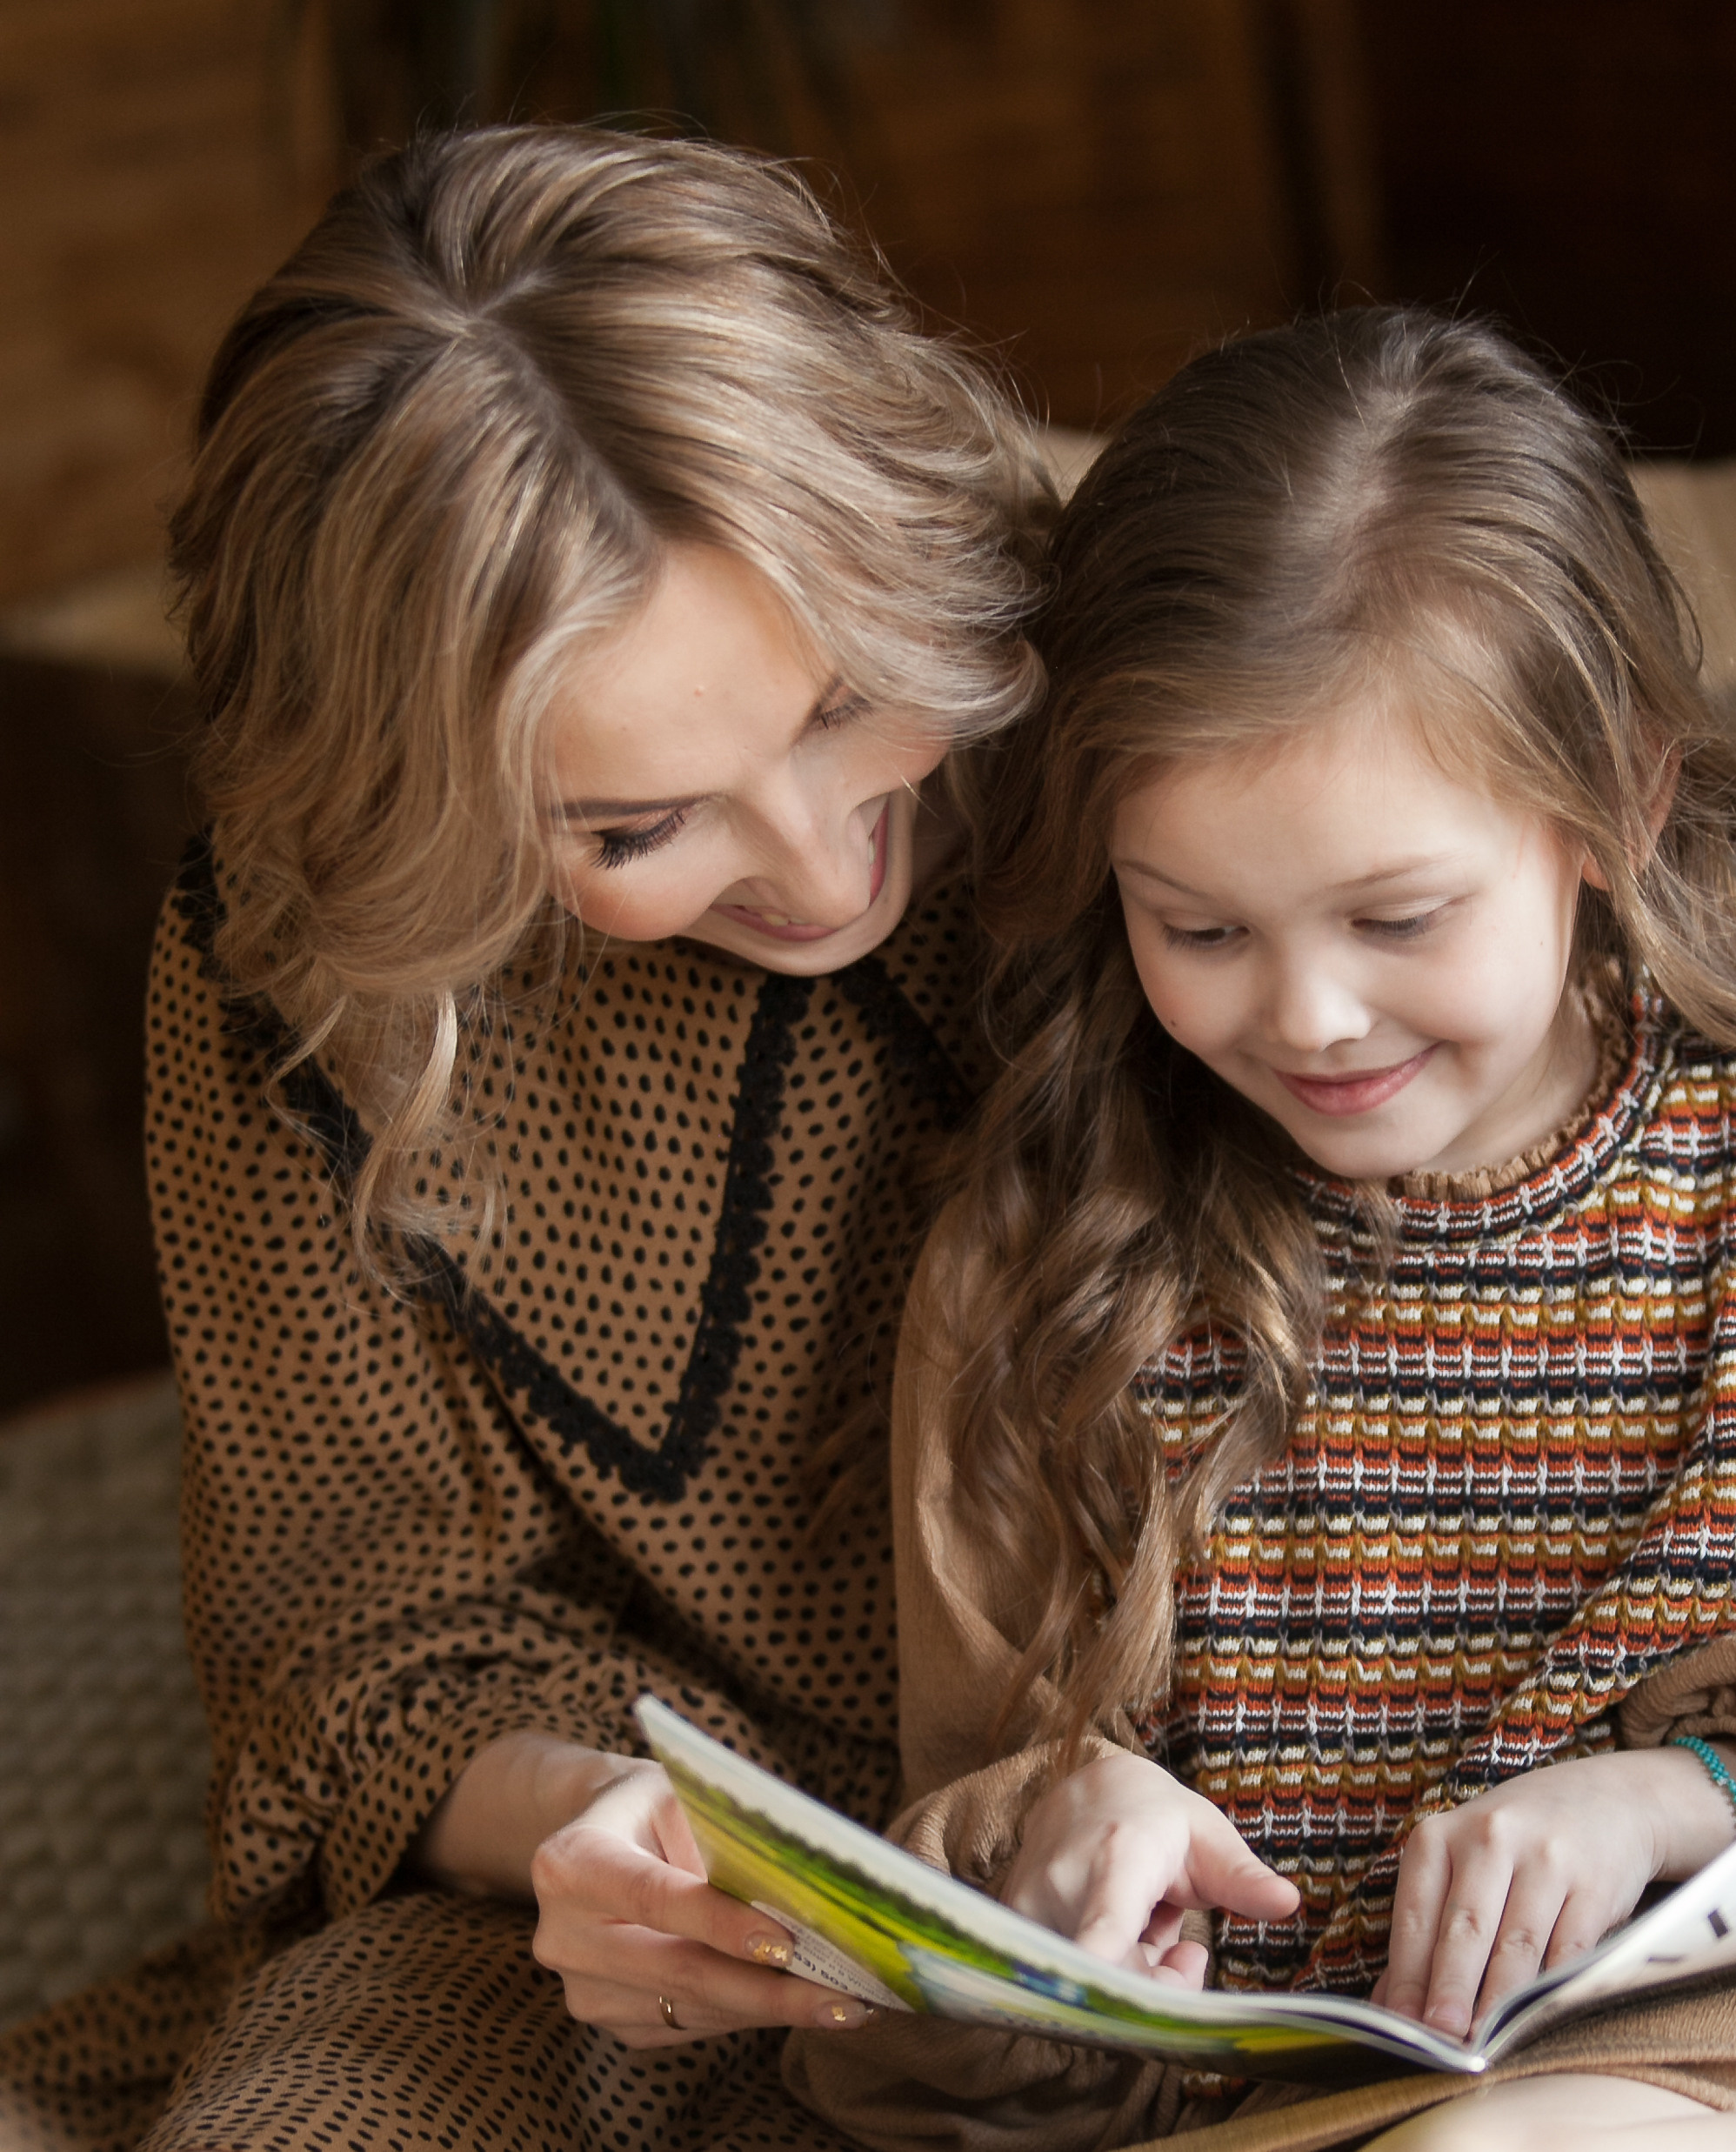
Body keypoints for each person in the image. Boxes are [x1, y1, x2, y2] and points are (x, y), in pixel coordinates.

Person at [787, 310, 1736, 2152]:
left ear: (1617, 800)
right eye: (1197, 928)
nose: (1309, 1017)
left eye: (1395, 916)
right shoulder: (1040, 1264)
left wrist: (1687, 1793)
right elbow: (960, 1864)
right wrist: (1054, 1849)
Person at [0, 124, 1049, 2151]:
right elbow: (362, 1644)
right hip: (591, 1913)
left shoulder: (1119, 719)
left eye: (850, 699)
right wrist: (602, 1830)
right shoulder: (285, 972)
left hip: (1194, 1819)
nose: (825, 862)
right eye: (635, 826)